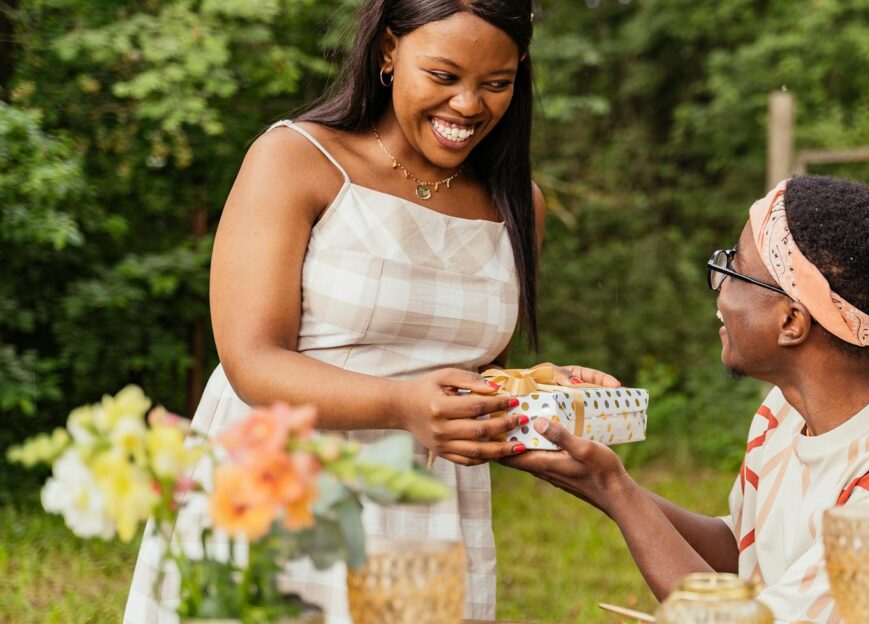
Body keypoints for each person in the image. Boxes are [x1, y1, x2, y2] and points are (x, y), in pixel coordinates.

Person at [124, 1, 617, 621]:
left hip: (421, 511)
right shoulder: (298, 159)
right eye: (444, 76)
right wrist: (402, 405)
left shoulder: (517, 203)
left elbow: (469, 377)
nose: (469, 106)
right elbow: (251, 360)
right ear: (388, 51)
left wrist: (535, 391)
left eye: (497, 83)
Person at [504, 175, 869, 624]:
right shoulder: (783, 413)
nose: (720, 290)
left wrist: (616, 491)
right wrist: (602, 485)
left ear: (792, 321)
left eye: (735, 269)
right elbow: (741, 552)